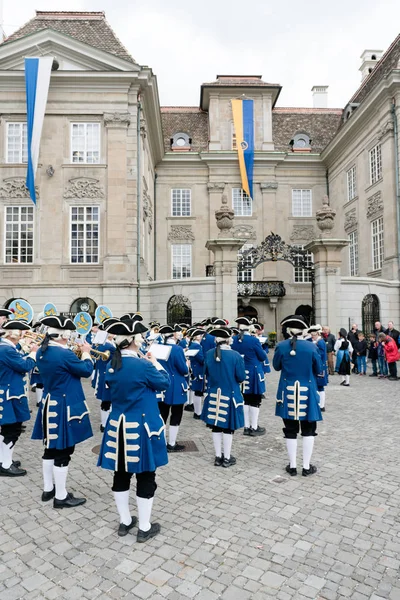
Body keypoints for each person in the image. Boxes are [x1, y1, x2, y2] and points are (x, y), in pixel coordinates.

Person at [98, 318, 170, 540]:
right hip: (142, 427)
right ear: (133, 342)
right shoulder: (143, 365)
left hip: (118, 425)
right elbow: (164, 382)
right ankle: (145, 527)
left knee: (121, 474)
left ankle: (125, 521)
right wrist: (155, 362)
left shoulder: (112, 365)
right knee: (146, 475)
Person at [31, 315, 94, 507]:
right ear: (64, 334)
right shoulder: (63, 354)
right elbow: (86, 370)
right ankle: (60, 496)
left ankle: (48, 488)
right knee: (64, 450)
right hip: (65, 404)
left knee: (50, 448)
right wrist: (86, 353)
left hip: (50, 402)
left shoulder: (42, 352)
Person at [273, 315, 323, 477]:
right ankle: (306, 466)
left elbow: (276, 366)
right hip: (307, 392)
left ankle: (293, 466)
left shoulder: (281, 346)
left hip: (286, 392)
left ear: (288, 331)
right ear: (304, 331)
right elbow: (319, 369)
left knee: (290, 429)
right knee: (308, 430)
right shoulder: (311, 347)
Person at [201, 327, 245, 467]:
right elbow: (241, 377)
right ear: (228, 340)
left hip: (213, 393)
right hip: (230, 395)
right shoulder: (236, 355)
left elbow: (205, 372)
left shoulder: (208, 353)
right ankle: (226, 457)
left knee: (216, 426)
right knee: (228, 428)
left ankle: (217, 456)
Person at [0, 320, 38, 476]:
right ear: (13, 334)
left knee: (7, 429)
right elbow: (25, 366)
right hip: (10, 395)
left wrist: (25, 345)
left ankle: (4, 459)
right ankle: (6, 464)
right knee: (12, 430)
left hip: (10, 392)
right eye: (22, 331)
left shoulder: (7, 347)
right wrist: (34, 352)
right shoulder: (6, 350)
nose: (24, 333)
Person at [231, 317, 267, 437]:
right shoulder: (253, 340)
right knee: (255, 400)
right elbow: (262, 356)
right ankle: (254, 427)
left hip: (240, 372)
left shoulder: (233, 340)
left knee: (245, 400)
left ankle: (246, 426)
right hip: (253, 372)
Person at [157, 325, 190, 452]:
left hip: (161, 385)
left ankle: (162, 442)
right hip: (176, 385)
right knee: (176, 414)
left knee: (162, 414)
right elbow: (183, 370)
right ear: (173, 335)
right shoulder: (177, 349)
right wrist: (187, 365)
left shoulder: (158, 348)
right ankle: (171, 443)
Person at [308, 325, 328, 412]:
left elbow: (321, 355)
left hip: (320, 367)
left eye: (313, 335)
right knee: (316, 386)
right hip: (316, 366)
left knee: (320, 387)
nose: (312, 336)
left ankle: (321, 405)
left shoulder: (320, 342)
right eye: (311, 335)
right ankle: (317, 403)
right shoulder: (315, 341)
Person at [186, 327, 205, 420]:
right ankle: (198, 412)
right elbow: (201, 359)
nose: (201, 336)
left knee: (197, 391)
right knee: (198, 391)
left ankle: (197, 411)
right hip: (197, 369)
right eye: (200, 335)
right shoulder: (196, 345)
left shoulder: (195, 345)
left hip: (195, 369)